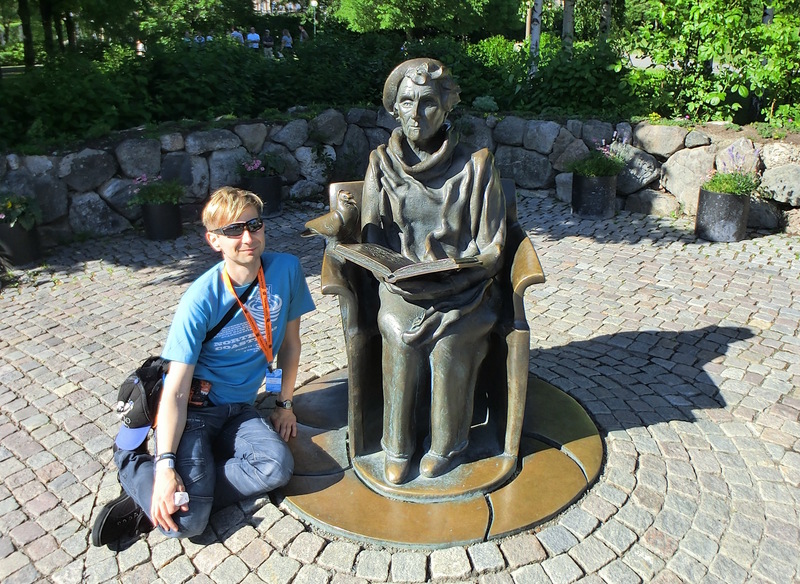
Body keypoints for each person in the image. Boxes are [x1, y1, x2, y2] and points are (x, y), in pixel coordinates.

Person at [91, 187, 316, 546]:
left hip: (240, 408)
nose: (247, 237)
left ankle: (190, 492)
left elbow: (290, 345)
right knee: (185, 524)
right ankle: (133, 465)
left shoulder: (286, 269)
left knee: (276, 466)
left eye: (254, 225)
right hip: (197, 411)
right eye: (233, 230)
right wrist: (166, 467)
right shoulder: (199, 299)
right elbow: (176, 391)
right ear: (214, 240)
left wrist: (284, 403)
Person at [331, 59, 506, 484]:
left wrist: (462, 274)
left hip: (465, 289)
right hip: (403, 288)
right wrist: (354, 234)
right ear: (394, 109)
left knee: (448, 344)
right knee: (397, 331)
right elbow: (372, 237)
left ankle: (448, 445)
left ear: (447, 107)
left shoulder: (478, 164)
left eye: (428, 102)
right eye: (407, 102)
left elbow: (494, 247)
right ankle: (397, 445)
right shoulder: (380, 163)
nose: (416, 113)